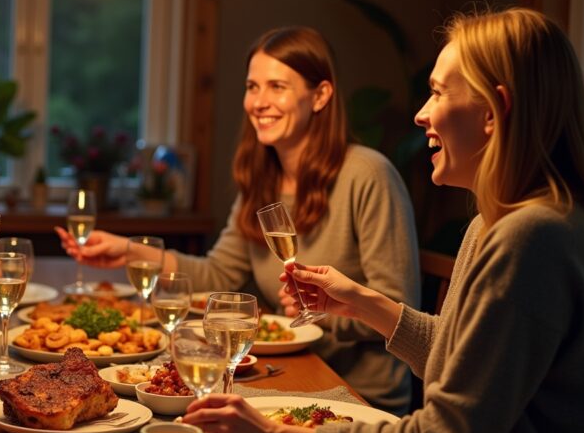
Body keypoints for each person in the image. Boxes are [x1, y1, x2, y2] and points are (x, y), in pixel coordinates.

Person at [183, 8, 584, 433]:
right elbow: (466, 363)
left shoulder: (532, 238)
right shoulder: (492, 223)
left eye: (438, 93)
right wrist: (362, 301)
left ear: (493, 111)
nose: (421, 114)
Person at [59, 26, 419, 413]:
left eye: (277, 86)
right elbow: (218, 274)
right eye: (252, 87)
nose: (259, 102)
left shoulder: (368, 174)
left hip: (358, 394)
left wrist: (327, 312)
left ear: (320, 96)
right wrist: (130, 251)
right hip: (287, 375)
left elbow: (399, 309)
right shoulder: (261, 181)